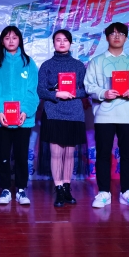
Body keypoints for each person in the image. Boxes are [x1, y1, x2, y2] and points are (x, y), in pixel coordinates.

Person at [84, 22, 129, 209]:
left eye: (121, 34)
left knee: (127, 155)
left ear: (126, 38)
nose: (117, 36)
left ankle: (127, 191)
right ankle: (104, 192)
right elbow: (88, 86)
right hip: (104, 115)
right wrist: (104, 93)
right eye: (113, 33)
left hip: (127, 115)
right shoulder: (97, 61)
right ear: (107, 37)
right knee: (103, 154)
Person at [0, 26, 39, 205]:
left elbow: (32, 90)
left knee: (22, 155)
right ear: (2, 41)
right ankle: (5, 189)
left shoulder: (29, 63)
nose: (11, 41)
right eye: (7, 38)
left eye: (14, 37)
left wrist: (25, 111)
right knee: (3, 155)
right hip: (1, 120)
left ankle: (21, 189)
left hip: (24, 120)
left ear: (20, 40)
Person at [37, 29, 88, 208]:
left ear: (70, 43)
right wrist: (57, 93)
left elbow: (86, 90)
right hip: (53, 112)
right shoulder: (46, 65)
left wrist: (72, 93)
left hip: (74, 112)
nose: (61, 43)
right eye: (58, 40)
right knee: (56, 153)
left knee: (70, 153)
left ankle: (67, 187)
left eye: (65, 40)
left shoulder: (79, 65)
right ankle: (58, 188)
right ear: (53, 43)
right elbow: (40, 90)